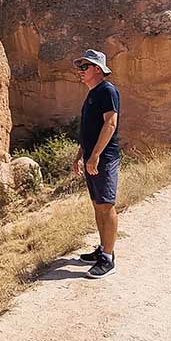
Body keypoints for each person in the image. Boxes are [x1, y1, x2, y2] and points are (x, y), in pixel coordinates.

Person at [71, 49, 120, 277]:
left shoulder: (107, 91)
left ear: (97, 69)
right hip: (92, 157)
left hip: (104, 157)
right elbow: (88, 130)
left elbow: (110, 124)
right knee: (97, 204)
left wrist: (96, 155)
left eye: (84, 67)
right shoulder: (92, 93)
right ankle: (102, 249)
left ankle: (108, 258)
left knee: (106, 205)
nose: (80, 72)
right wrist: (80, 155)